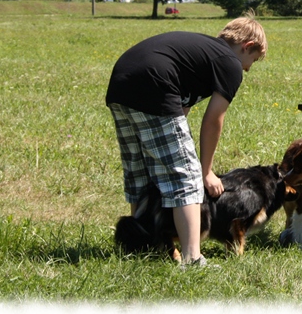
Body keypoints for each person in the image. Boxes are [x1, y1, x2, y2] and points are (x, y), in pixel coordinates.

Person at [106, 15, 267, 265]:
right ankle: (193, 257)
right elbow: (214, 119)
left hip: (121, 84)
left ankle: (143, 242)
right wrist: (205, 171)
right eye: (253, 61)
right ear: (247, 47)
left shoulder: (202, 53)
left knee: (143, 173)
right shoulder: (230, 63)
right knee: (186, 176)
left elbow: (182, 109)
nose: (247, 68)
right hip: (154, 85)